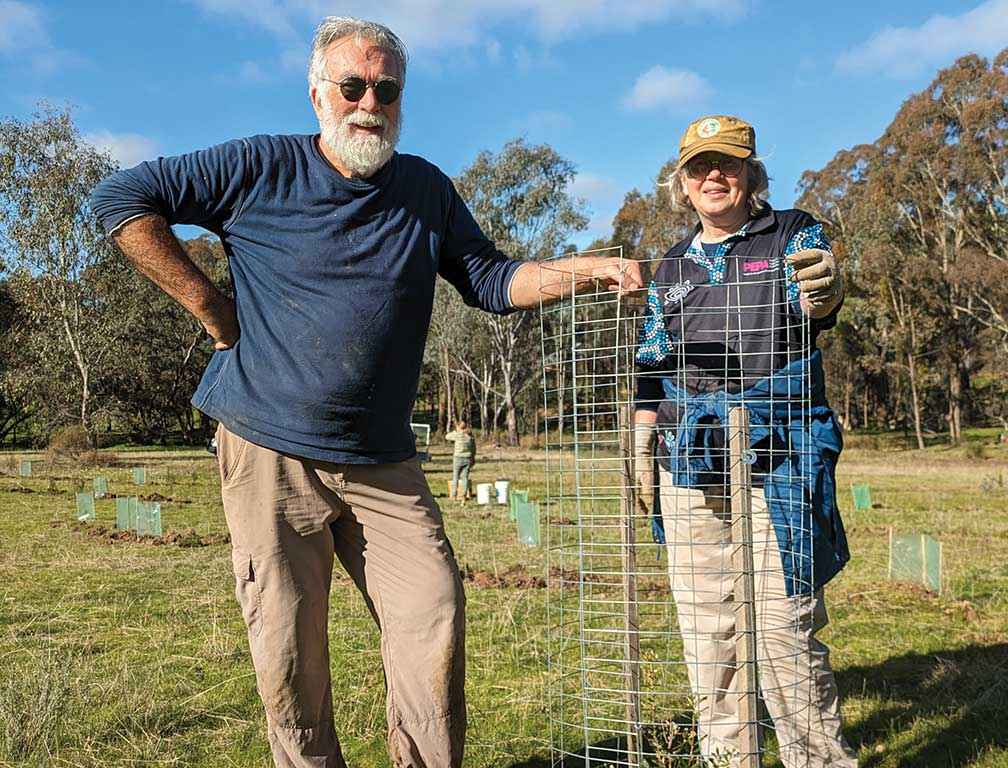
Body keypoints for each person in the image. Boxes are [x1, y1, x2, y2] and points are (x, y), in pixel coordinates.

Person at [88, 16, 640, 768]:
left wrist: (583, 268)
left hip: (383, 457)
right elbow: (122, 198)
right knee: (288, 647)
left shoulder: (424, 190)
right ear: (318, 94)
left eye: (386, 89)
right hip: (270, 450)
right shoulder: (260, 167)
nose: (369, 102)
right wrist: (210, 305)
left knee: (432, 609)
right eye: (352, 86)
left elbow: (490, 279)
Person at [632, 115, 858, 767]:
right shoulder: (672, 265)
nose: (714, 176)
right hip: (688, 462)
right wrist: (642, 440)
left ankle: (816, 758)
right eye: (700, 166)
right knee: (710, 638)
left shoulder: (792, 232)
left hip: (778, 456)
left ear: (752, 171)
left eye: (727, 163)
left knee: (787, 629)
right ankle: (729, 759)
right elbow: (653, 358)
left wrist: (826, 290)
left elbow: (820, 296)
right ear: (682, 181)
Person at [445, 420, 476, 502]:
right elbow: (474, 449)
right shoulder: (470, 436)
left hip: (458, 458)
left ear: (458, 427)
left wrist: (455, 431)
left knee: (455, 477)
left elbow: (447, 436)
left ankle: (454, 496)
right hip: (468, 458)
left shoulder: (457, 434)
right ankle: (463, 496)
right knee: (465, 478)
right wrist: (473, 458)